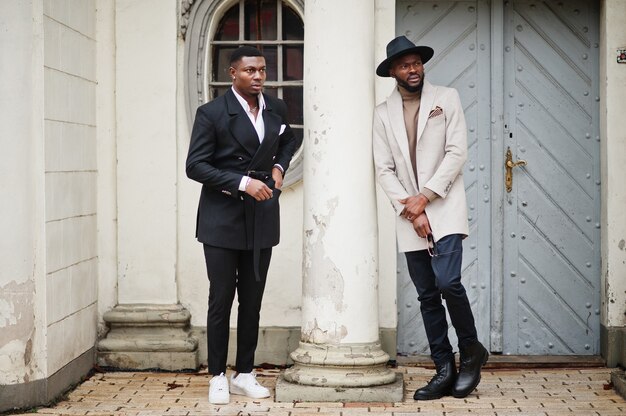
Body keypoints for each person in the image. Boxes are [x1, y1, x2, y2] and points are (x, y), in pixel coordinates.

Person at [372, 36, 488, 400]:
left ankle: (470, 351)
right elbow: (383, 168)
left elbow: (457, 153)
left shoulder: (446, 98)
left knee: (448, 282)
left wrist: (426, 198)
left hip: (445, 206)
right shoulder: (381, 113)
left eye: (416, 63)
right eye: (404, 65)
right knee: (426, 295)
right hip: (409, 214)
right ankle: (443, 368)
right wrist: (411, 209)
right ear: (392, 71)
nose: (413, 69)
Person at [186, 46, 300, 404]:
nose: (258, 76)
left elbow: (289, 139)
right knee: (221, 298)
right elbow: (195, 166)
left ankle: (245, 373)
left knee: (252, 300)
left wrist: (279, 168)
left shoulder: (275, 108)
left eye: (262, 70)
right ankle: (218, 375)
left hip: (261, 215)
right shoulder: (212, 113)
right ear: (232, 73)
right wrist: (242, 182)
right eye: (250, 70)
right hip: (222, 217)